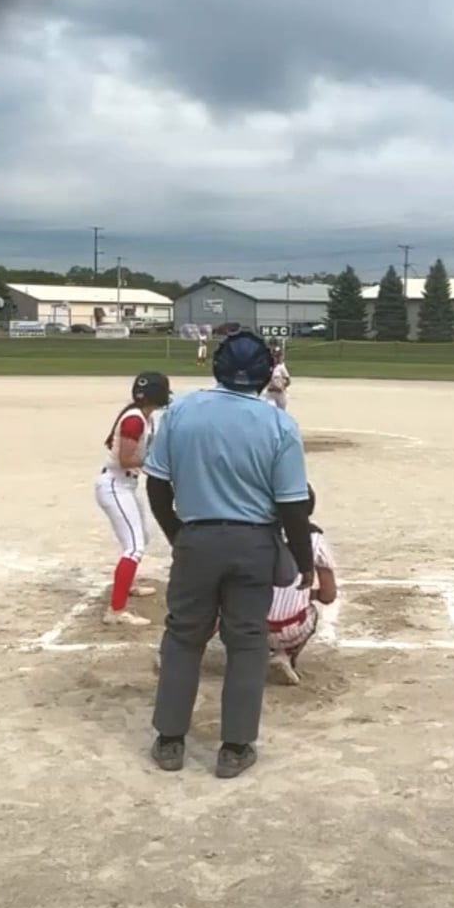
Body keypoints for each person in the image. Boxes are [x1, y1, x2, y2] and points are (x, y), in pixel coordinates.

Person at [143, 328, 312, 779]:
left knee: (183, 637)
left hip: (196, 538)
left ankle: (170, 739)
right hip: (253, 543)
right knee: (247, 642)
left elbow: (157, 484)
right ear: (264, 374)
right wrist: (304, 561)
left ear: (217, 367)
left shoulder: (181, 411)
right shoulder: (278, 424)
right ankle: (234, 747)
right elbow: (293, 504)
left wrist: (178, 534)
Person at [96, 371, 172, 626]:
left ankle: (127, 585)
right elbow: (125, 459)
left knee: (141, 537)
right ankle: (116, 611)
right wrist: (157, 460)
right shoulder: (134, 420)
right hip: (115, 485)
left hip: (124, 484)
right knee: (134, 547)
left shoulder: (141, 416)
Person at [264, 484, 338, 687]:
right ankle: (284, 654)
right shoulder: (315, 538)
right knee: (311, 612)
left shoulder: (256, 533)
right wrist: (302, 594)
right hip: (292, 626)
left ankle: (246, 654)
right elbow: (328, 595)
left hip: (251, 625)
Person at [264, 343, 292, 412]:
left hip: (280, 393)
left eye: (277, 355)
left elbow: (288, 380)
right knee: (271, 409)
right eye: (274, 355)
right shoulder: (268, 366)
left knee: (281, 412)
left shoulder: (281, 367)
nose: (276, 357)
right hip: (270, 393)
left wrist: (283, 386)